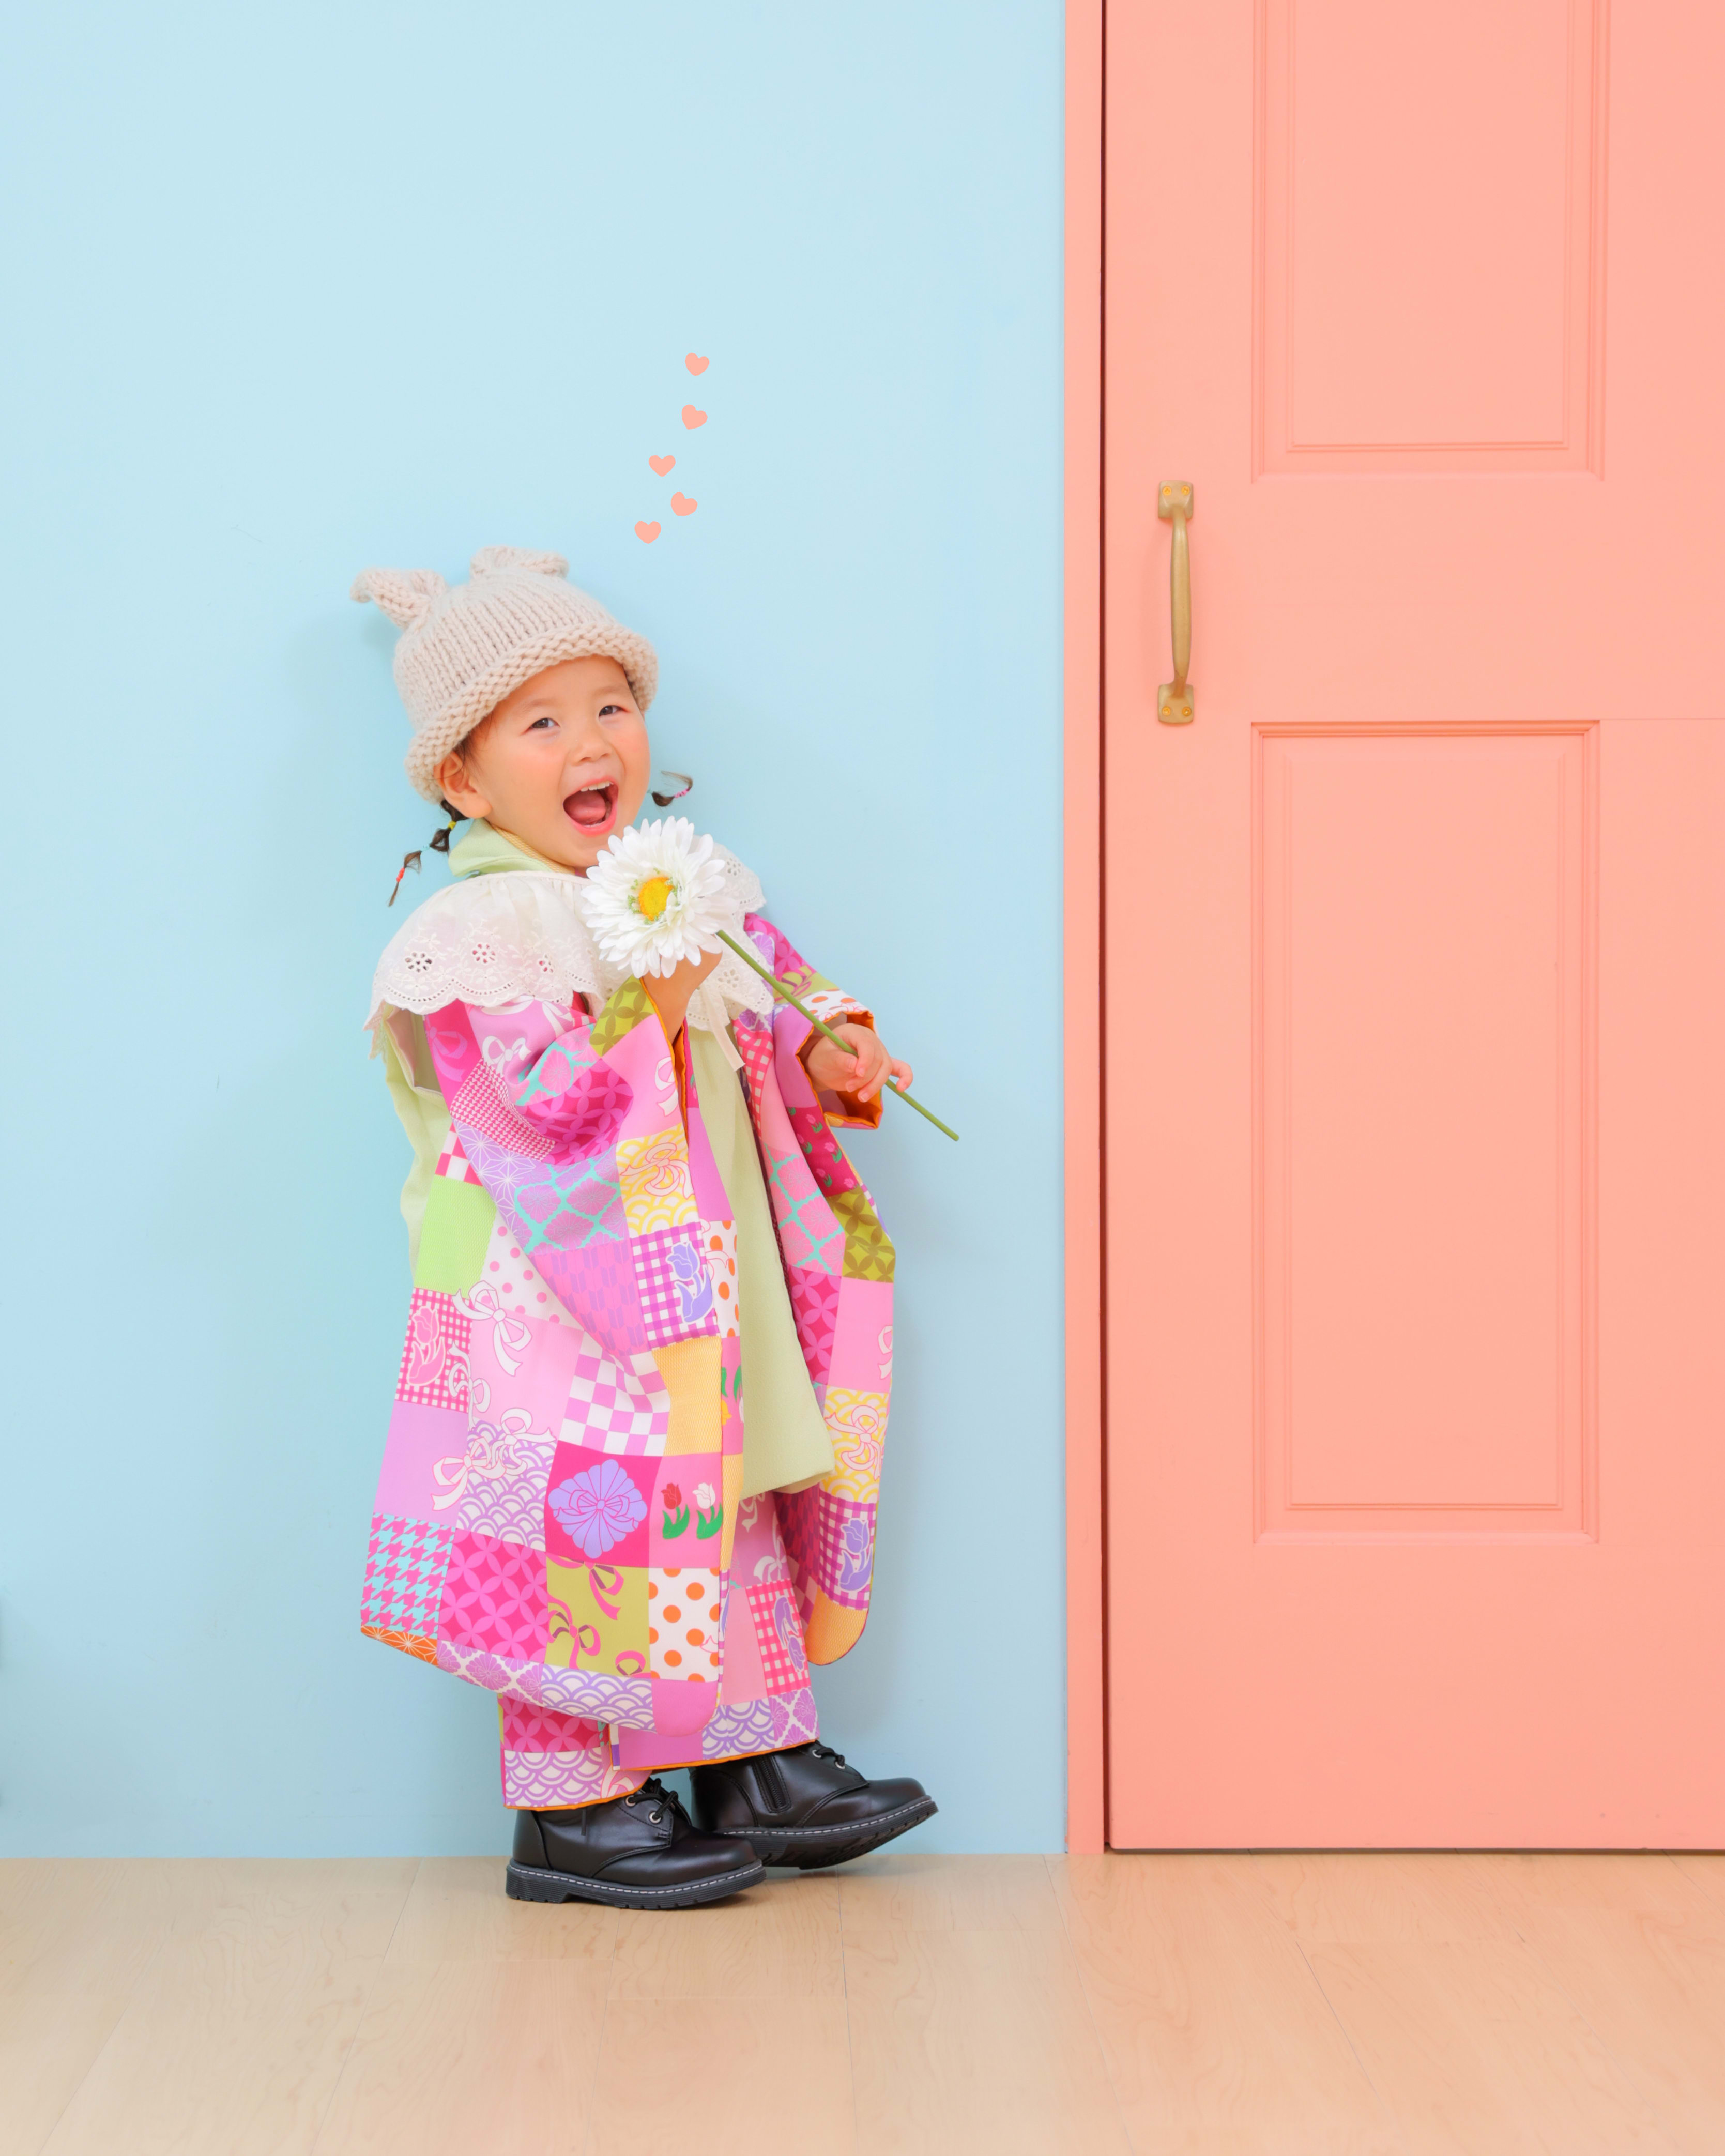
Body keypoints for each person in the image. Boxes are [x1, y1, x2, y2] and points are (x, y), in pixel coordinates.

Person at [354, 546, 935, 1907]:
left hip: (699, 1269)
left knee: (709, 1499)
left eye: (610, 704)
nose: (589, 741)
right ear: (463, 778)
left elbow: (773, 992)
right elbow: (534, 1113)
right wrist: (651, 1009)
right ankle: (572, 1806)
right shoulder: (482, 926)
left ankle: (749, 1754)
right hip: (552, 1300)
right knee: (569, 1529)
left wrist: (830, 1048)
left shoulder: (677, 880)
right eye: (540, 722)